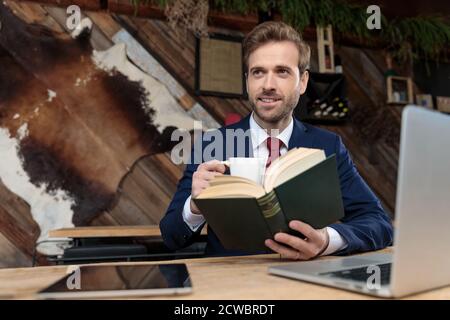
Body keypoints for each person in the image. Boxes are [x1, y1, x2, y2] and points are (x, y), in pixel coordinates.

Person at [160, 21, 393, 260]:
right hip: (231, 286)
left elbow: (379, 224)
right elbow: (171, 237)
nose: (268, 85)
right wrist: (195, 206)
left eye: (282, 71)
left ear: (302, 82)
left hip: (303, 285)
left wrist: (327, 241)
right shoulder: (213, 144)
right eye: (258, 72)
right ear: (247, 81)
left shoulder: (328, 146)